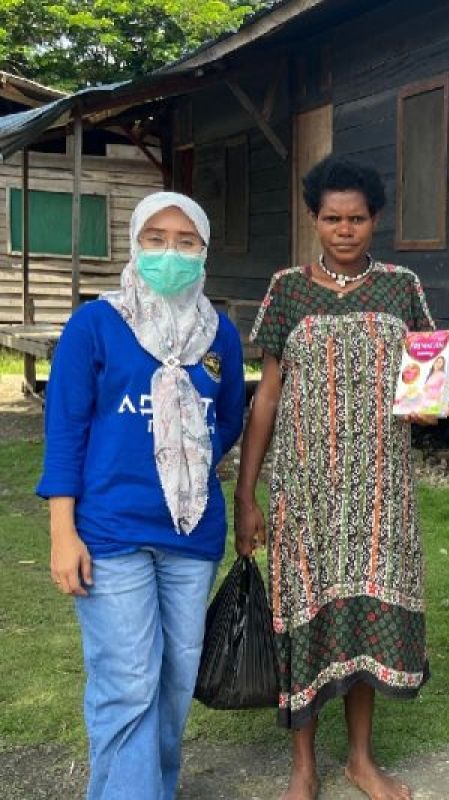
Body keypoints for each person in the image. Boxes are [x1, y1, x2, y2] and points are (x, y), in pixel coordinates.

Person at [234, 156, 439, 800]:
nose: (344, 231)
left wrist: (433, 401)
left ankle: (359, 759)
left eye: (356, 219)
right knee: (306, 612)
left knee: (361, 615)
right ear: (313, 220)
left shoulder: (402, 287)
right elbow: (267, 395)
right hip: (307, 491)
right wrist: (248, 490)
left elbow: (427, 377)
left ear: (375, 220)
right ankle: (303, 766)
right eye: (331, 219)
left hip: (379, 490)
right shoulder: (288, 289)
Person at [39, 191, 245, 799]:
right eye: (155, 239)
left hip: (191, 533)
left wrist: (184, 452)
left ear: (203, 249)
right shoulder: (97, 323)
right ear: (135, 243)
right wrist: (62, 531)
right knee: (128, 681)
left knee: (175, 679)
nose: (170, 254)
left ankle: (149, 786)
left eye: (186, 242)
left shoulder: (219, 334)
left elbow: (226, 419)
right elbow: (65, 427)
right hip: (110, 531)